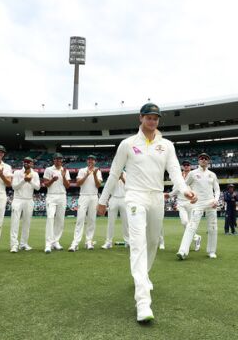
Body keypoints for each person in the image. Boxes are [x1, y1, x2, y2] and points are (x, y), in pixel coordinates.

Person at [97, 103, 196, 323]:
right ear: (140, 118)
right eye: (148, 117)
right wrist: (102, 201)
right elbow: (114, 174)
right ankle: (143, 300)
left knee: (152, 241)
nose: (152, 121)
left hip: (156, 197)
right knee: (138, 242)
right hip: (134, 196)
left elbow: (175, 172)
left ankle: (143, 275)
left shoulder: (166, 145)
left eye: (156, 118)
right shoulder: (128, 144)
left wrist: (186, 190)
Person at [176, 152, 219, 259]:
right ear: (198, 160)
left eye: (205, 158)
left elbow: (217, 190)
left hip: (211, 203)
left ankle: (211, 251)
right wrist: (191, 195)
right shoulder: (193, 173)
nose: (203, 160)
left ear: (208, 161)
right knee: (191, 226)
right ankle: (183, 251)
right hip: (198, 203)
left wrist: (216, 200)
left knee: (213, 227)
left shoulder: (212, 174)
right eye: (201, 158)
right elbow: (184, 186)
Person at [165, 160, 202, 248]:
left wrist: (196, 198)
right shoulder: (179, 176)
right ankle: (196, 237)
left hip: (191, 203)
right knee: (185, 222)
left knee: (189, 225)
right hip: (181, 203)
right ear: (182, 166)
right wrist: (169, 195)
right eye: (184, 165)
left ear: (190, 166)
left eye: (187, 165)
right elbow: (177, 188)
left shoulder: (194, 176)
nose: (186, 166)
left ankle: (193, 241)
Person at [69, 155, 102, 251]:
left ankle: (89, 241)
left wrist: (94, 175)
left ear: (95, 161)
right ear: (87, 161)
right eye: (89, 160)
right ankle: (75, 242)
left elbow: (98, 185)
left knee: (92, 220)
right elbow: (78, 183)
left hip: (94, 196)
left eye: (92, 160)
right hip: (83, 196)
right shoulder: (82, 170)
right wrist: (87, 175)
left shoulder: (98, 171)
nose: (90, 161)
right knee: (80, 219)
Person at [10, 157, 40, 252]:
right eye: (25, 162)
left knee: (27, 223)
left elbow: (38, 188)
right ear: (23, 163)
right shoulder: (17, 173)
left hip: (29, 200)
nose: (27, 163)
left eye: (29, 162)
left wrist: (30, 181)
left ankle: (23, 244)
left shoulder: (35, 174)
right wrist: (24, 180)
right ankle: (14, 245)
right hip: (17, 199)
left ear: (32, 164)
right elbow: (14, 187)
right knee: (15, 222)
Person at [43, 153, 71, 253]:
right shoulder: (48, 169)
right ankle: (48, 244)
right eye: (56, 159)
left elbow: (68, 186)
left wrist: (63, 176)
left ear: (62, 160)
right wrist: (52, 180)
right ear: (53, 160)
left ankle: (56, 241)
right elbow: (45, 184)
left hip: (62, 196)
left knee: (60, 220)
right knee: (50, 218)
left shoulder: (64, 170)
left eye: (60, 159)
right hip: (51, 195)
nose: (58, 161)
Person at [101, 172, 129, 250]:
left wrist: (122, 178)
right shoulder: (112, 174)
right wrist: (116, 178)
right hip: (113, 198)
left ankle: (128, 242)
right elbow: (108, 187)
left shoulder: (127, 174)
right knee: (111, 222)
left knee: (126, 222)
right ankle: (108, 242)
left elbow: (129, 187)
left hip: (124, 198)